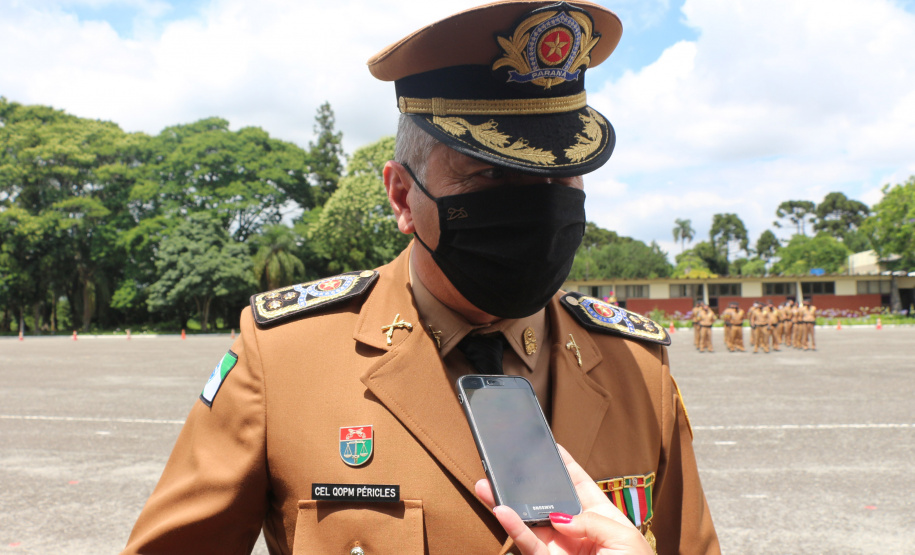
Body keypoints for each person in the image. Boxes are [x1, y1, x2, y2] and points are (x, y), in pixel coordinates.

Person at [121, 2, 719, 554]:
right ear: (402, 196)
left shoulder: (636, 367)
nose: (538, 208)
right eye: (493, 176)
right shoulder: (284, 358)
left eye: (560, 181)